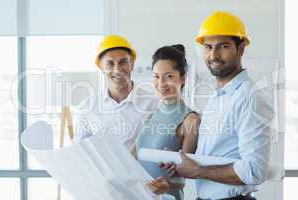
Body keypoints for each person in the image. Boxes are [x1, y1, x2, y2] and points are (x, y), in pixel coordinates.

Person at [161, 11, 274, 200]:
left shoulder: (249, 98)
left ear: (241, 48)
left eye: (223, 46)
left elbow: (254, 170)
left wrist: (197, 170)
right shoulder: (217, 97)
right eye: (208, 47)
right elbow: (215, 154)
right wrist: (181, 163)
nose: (213, 55)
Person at [134, 44, 201, 200]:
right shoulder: (151, 115)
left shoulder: (190, 119)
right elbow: (131, 157)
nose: (161, 83)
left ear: (183, 78)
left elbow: (183, 177)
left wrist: (167, 184)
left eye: (169, 76)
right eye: (156, 76)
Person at [74, 35, 157, 149]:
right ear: (101, 67)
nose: (117, 69)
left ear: (131, 64)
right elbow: (81, 150)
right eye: (110, 63)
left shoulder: (152, 104)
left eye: (123, 62)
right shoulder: (87, 106)